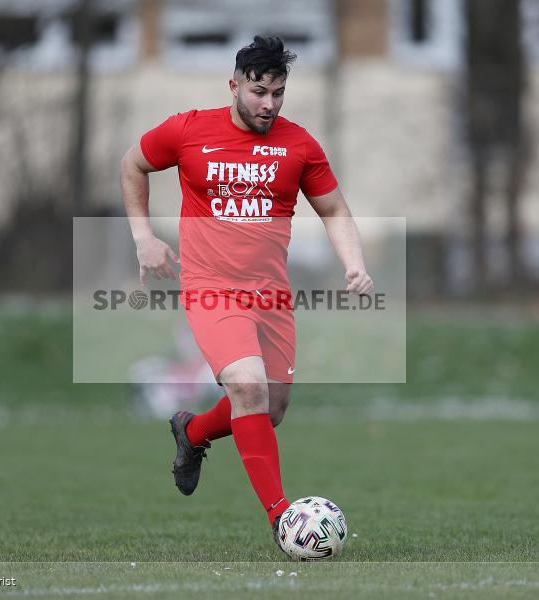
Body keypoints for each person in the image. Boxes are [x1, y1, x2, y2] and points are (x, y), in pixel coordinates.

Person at [120, 35, 373, 553]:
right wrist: (143, 238)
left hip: (273, 296)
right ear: (234, 85)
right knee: (248, 387)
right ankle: (283, 519)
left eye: (278, 93)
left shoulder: (299, 145)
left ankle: (192, 434)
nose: (269, 104)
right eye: (259, 92)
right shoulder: (189, 130)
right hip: (211, 289)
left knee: (269, 407)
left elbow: (335, 211)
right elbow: (133, 165)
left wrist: (355, 266)